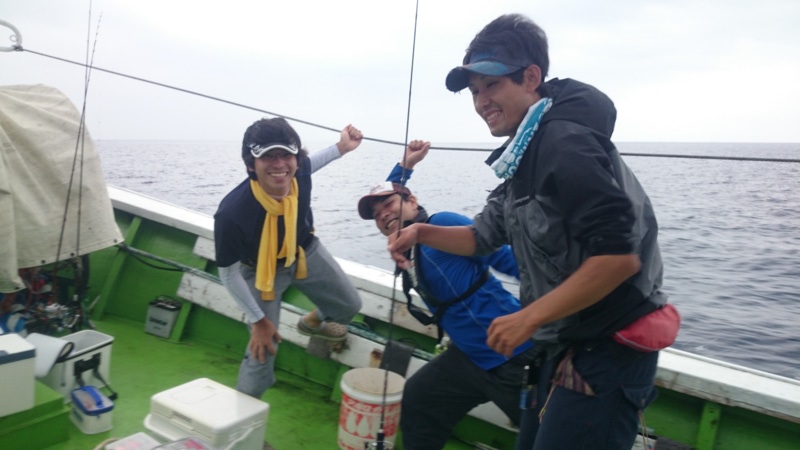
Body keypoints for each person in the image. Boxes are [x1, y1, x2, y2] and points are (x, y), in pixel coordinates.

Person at [388, 14, 671, 450]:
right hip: (561, 344)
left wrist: (528, 317)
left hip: (606, 347)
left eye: (492, 85)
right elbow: (481, 238)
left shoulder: (563, 144)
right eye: (475, 91)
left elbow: (619, 258)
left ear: (531, 78)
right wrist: (420, 233)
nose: (481, 101)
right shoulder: (522, 156)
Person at [357, 140, 537, 450]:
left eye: (388, 205)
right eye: (376, 215)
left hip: (514, 355)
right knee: (418, 402)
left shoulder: (442, 224)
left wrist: (547, 310)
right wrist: (405, 165)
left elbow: (511, 261)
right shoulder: (407, 249)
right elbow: (393, 200)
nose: (383, 215)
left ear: (412, 202)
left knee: (543, 438)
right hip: (469, 357)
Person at [214, 117, 363, 398]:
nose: (280, 165)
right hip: (259, 272)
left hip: (303, 251)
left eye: (286, 154)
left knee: (350, 305)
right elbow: (228, 274)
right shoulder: (231, 214)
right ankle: (247, 433)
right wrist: (258, 322)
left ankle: (311, 323)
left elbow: (314, 161)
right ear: (250, 165)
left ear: (296, 158)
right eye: (267, 156)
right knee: (262, 353)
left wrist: (342, 147)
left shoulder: (300, 171)